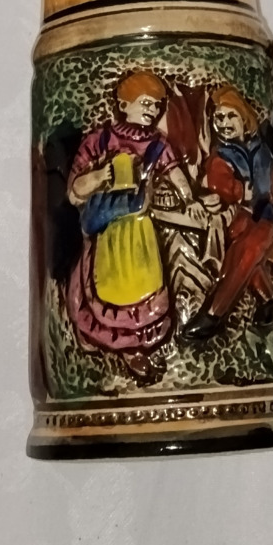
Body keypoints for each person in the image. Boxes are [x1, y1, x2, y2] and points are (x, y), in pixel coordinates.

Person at [66, 72, 203, 383]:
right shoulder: (99, 140)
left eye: (156, 106)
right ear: (123, 103)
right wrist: (101, 176)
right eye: (145, 103)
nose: (152, 111)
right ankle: (101, 339)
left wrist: (190, 199)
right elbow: (75, 190)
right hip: (105, 230)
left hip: (140, 232)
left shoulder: (157, 144)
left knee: (142, 286)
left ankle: (133, 347)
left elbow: (176, 174)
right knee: (100, 287)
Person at [182, 86, 273, 341]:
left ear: (244, 118)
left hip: (266, 218)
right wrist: (240, 191)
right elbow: (218, 183)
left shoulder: (262, 152)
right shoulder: (221, 155)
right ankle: (269, 300)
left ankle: (213, 313)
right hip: (236, 219)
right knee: (243, 247)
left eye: (231, 116)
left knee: (249, 247)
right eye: (219, 118)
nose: (224, 123)